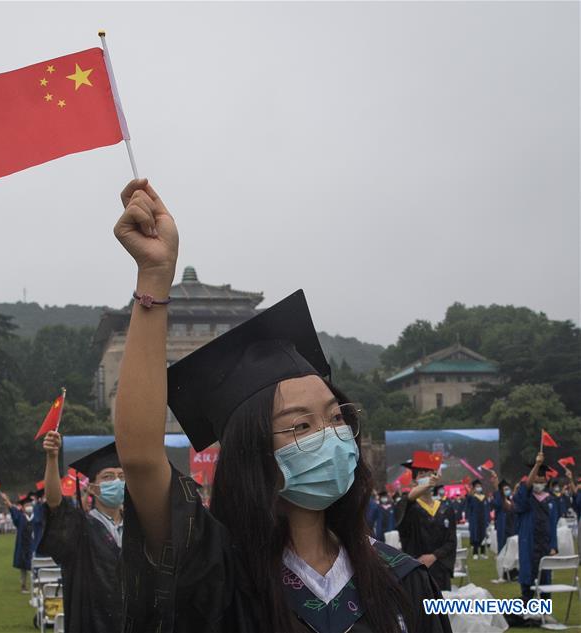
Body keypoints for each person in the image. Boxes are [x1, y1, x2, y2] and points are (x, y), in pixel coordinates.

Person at [110, 178, 452, 633]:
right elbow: (139, 458)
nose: (330, 436)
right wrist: (154, 278)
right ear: (254, 450)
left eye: (336, 418)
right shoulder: (219, 575)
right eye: (300, 425)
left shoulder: (399, 577)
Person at [37, 433, 124, 633]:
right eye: (108, 477)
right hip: (91, 621)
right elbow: (54, 503)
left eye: (122, 476)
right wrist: (52, 458)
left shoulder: (138, 529)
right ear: (93, 488)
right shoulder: (80, 527)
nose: (117, 482)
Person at [395, 451, 457, 591]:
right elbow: (408, 499)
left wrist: (434, 556)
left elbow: (451, 541)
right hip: (416, 570)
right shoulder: (407, 508)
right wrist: (426, 485)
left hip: (440, 569)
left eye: (430, 473)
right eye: (422, 474)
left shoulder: (446, 509)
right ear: (414, 482)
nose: (427, 478)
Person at [513, 453, 559, 604]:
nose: (539, 481)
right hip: (529, 542)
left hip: (545, 544)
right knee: (528, 574)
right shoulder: (525, 496)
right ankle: (526, 606)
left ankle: (544, 610)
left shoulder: (550, 499)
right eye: (536, 479)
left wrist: (553, 546)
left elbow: (553, 525)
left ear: (546, 480)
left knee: (545, 576)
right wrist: (537, 465)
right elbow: (526, 487)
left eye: (542, 478)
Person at [0, 489, 37, 593]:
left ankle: (36, 586)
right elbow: (12, 509)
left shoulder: (36, 517)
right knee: (23, 568)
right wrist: (6, 500)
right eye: (26, 505)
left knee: (35, 566)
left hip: (33, 545)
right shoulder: (20, 517)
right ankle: (23, 586)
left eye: (30, 504)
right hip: (23, 546)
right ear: (23, 508)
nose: (29, 506)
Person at [490, 472, 515, 554]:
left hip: (512, 527)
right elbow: (497, 490)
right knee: (502, 547)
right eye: (505, 489)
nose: (507, 491)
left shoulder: (512, 501)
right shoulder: (500, 501)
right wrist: (496, 479)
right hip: (503, 527)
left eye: (508, 489)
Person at [465, 479, 489, 559]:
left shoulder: (484, 497)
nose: (479, 488)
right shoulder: (472, 498)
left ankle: (482, 553)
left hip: (483, 520)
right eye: (477, 487)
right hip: (475, 520)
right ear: (474, 489)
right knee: (475, 535)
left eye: (480, 486)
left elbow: (487, 509)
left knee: (483, 536)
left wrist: (487, 519)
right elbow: (468, 506)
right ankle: (475, 553)